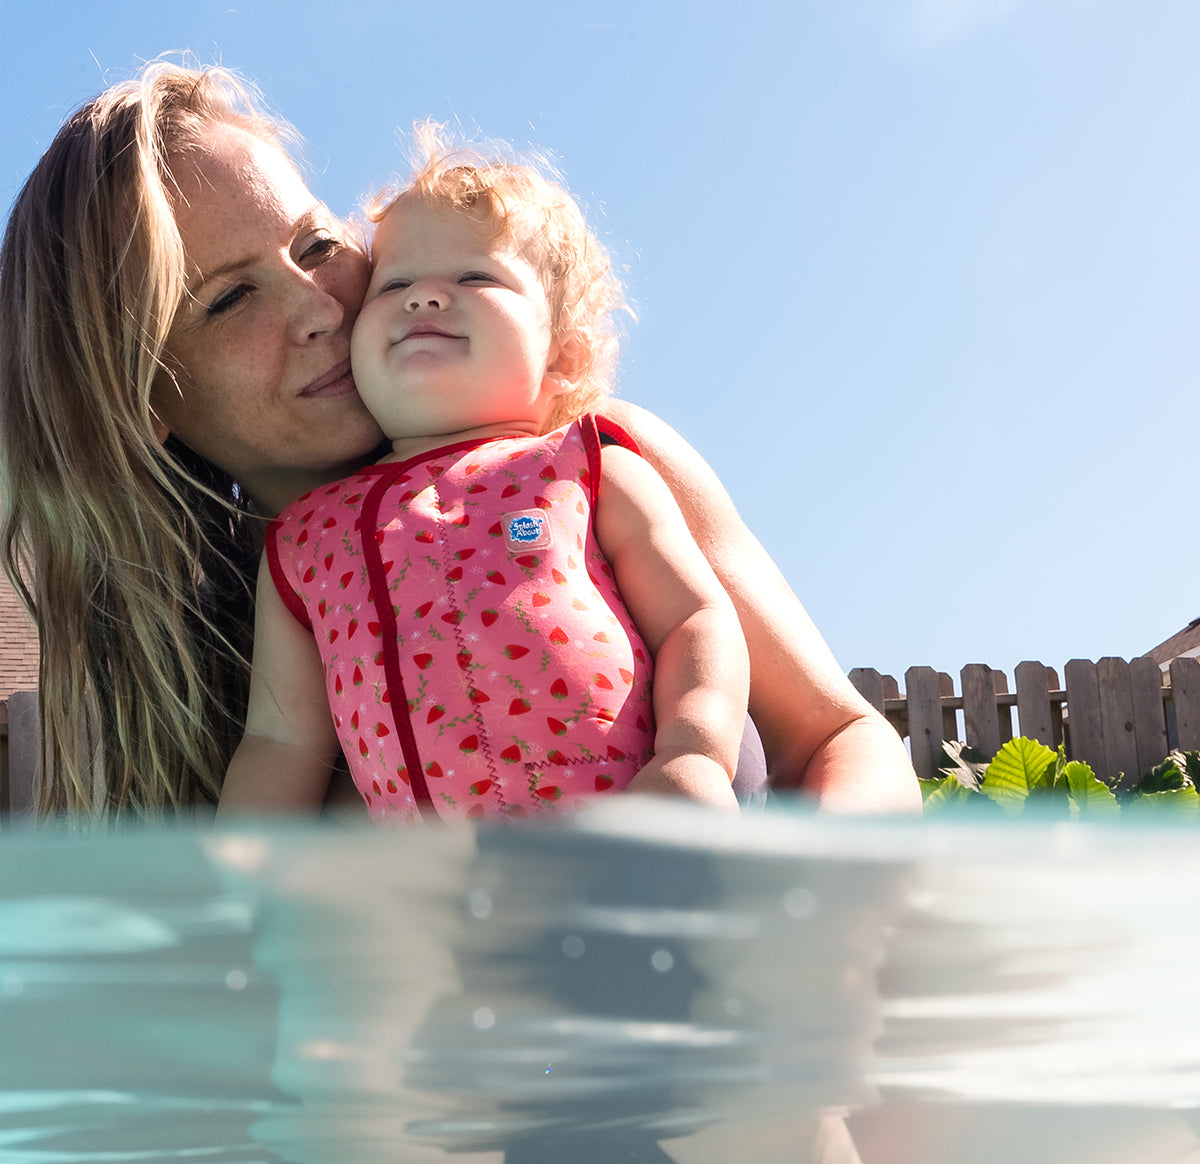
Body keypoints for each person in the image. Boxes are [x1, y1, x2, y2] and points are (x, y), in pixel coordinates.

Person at [0, 60, 920, 823]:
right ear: (143, 398)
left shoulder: (593, 457)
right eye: (231, 298)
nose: (320, 306)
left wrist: (811, 910)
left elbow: (846, 742)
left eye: (318, 244)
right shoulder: (219, 635)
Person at [218, 129, 749, 820]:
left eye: (475, 277)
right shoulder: (303, 542)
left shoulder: (588, 468)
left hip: (627, 857)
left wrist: (694, 753)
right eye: (397, 282)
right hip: (436, 909)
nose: (425, 297)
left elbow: (695, 620)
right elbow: (277, 741)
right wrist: (239, 894)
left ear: (563, 355)